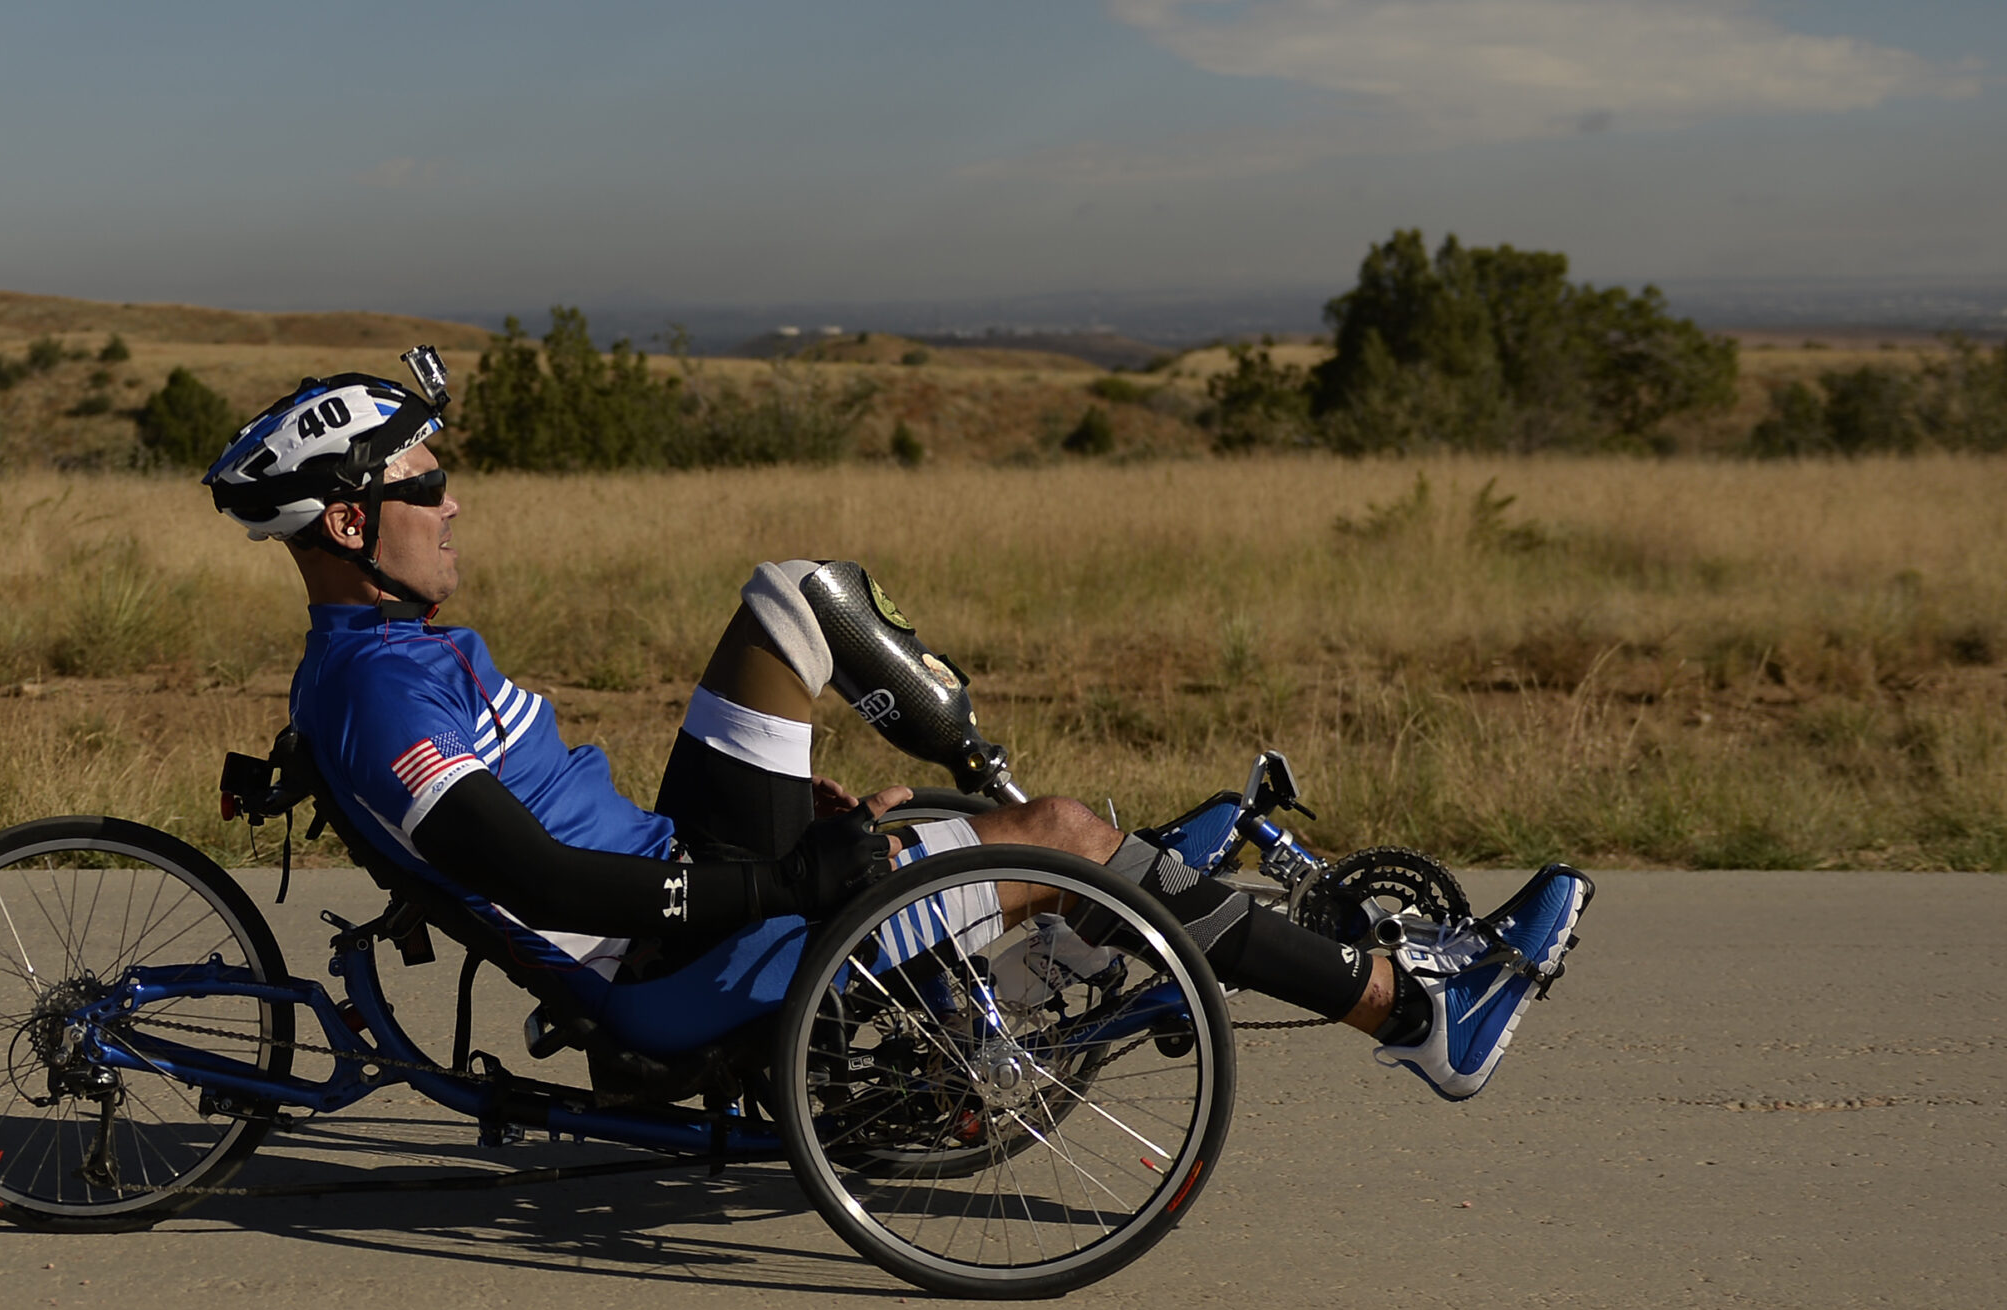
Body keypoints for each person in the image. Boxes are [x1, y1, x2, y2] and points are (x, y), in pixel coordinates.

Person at [205, 357, 1589, 1099]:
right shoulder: (378, 688)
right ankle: (1414, 1010)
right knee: (1063, 837)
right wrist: (782, 881)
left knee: (794, 604)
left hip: (682, 882)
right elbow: (542, 882)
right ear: (347, 521)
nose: (454, 505)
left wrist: (781, 851)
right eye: (428, 483)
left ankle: (1038, 873)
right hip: (677, 956)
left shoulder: (387, 649)